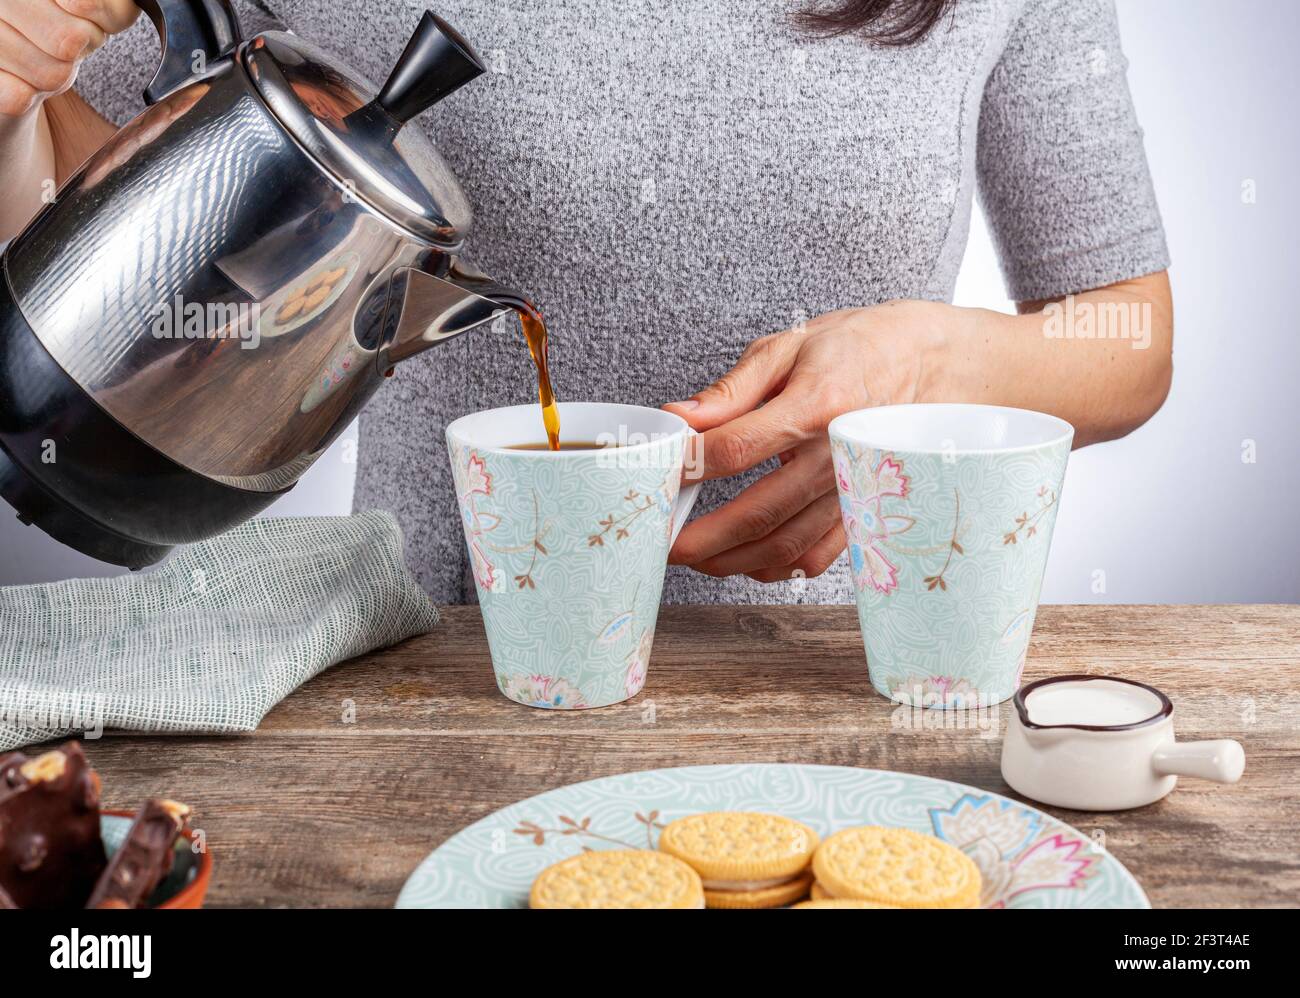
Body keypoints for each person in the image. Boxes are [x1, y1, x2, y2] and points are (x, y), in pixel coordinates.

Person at [0, 0, 1172, 604]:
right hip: (429, 671)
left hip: (860, 673)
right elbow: (98, 201)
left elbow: (1128, 335)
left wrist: (939, 361)